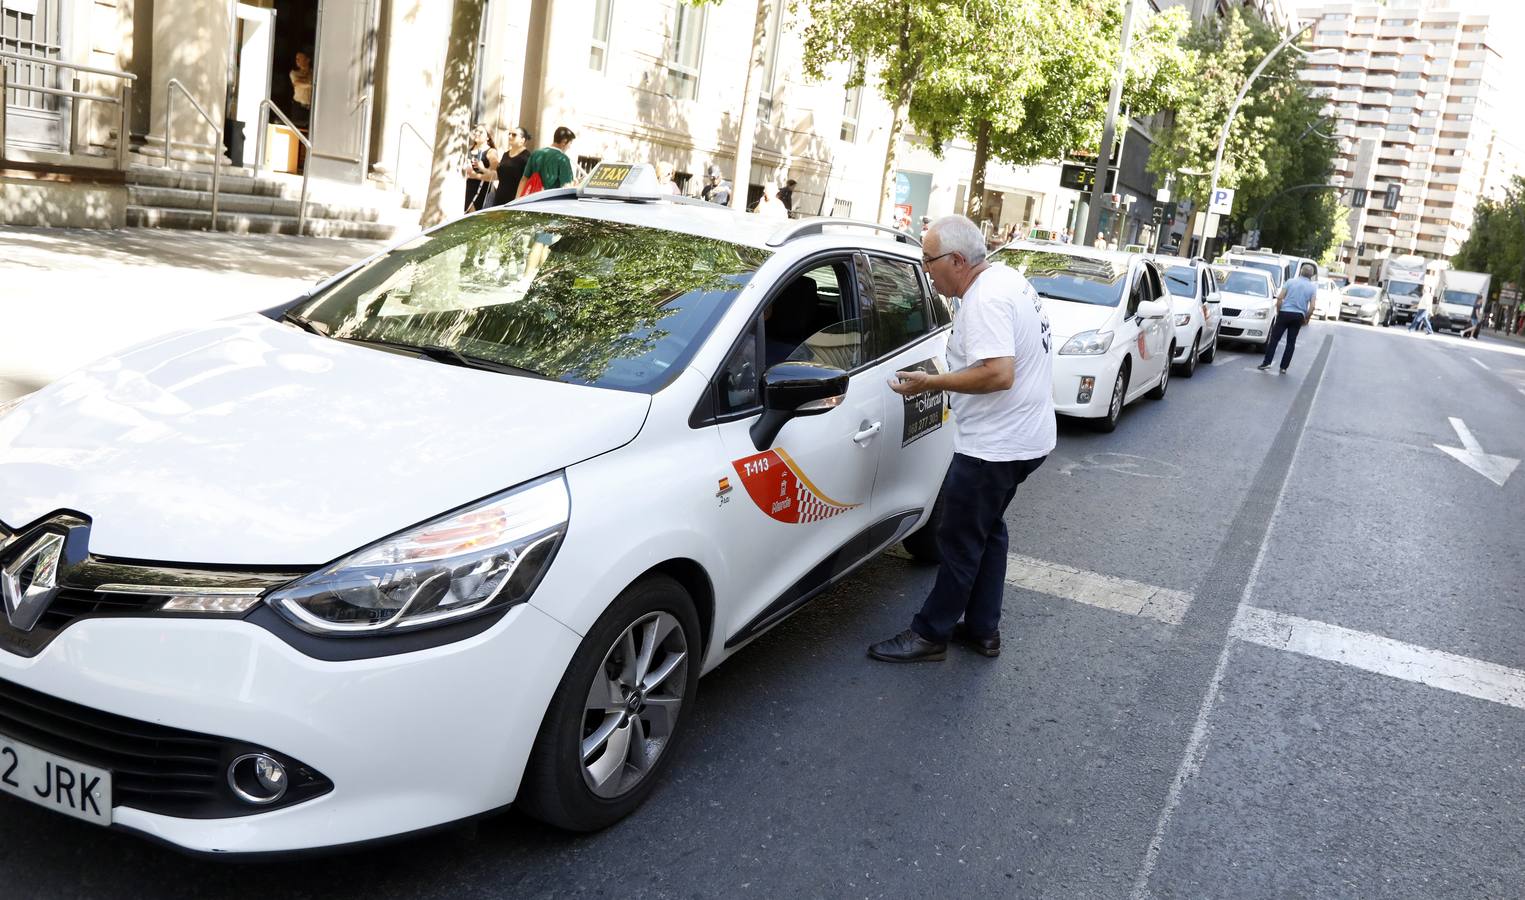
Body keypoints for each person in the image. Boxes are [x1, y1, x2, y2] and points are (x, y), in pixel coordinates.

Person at [867, 215, 1055, 663]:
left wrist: (931, 383)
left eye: (928, 260)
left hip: (995, 446)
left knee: (959, 538)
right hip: (1025, 438)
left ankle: (930, 633)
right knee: (987, 530)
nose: (925, 269)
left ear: (956, 259)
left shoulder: (985, 299)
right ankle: (983, 629)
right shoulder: (1005, 279)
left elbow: (998, 373)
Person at [1258, 261, 1317, 373]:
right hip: (1298, 316)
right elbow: (1312, 306)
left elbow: (1280, 298)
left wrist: (1279, 311)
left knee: (1275, 339)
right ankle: (1283, 368)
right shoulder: (1312, 288)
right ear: (1311, 275)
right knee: (1291, 342)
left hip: (1285, 313)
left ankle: (1267, 363)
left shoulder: (1290, 282)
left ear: (1301, 272)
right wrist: (1306, 318)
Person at [517, 125, 575, 197]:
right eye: (570, 143)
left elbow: (524, 179)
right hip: (549, 203)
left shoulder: (536, 153)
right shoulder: (563, 159)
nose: (569, 147)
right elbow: (567, 187)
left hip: (531, 200)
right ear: (564, 141)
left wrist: (517, 199)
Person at [490, 126, 532, 207]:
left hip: (515, 200)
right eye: (509, 134)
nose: (510, 136)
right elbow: (500, 176)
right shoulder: (505, 154)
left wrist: (518, 200)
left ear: (522, 140)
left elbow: (526, 180)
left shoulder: (527, 157)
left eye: (514, 135)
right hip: (499, 198)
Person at [462, 123, 497, 212]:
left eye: (480, 132)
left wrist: (480, 170)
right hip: (463, 188)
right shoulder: (468, 149)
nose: (477, 133)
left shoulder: (491, 152)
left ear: (488, 137)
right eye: (476, 131)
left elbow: (494, 176)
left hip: (478, 192)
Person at [288, 51, 313, 128]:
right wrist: (311, 84)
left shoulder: (313, 73)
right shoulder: (294, 73)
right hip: (299, 107)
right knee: (297, 130)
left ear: (307, 60)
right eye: (296, 58)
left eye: (300, 58)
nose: (297, 60)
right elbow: (297, 83)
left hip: (311, 108)